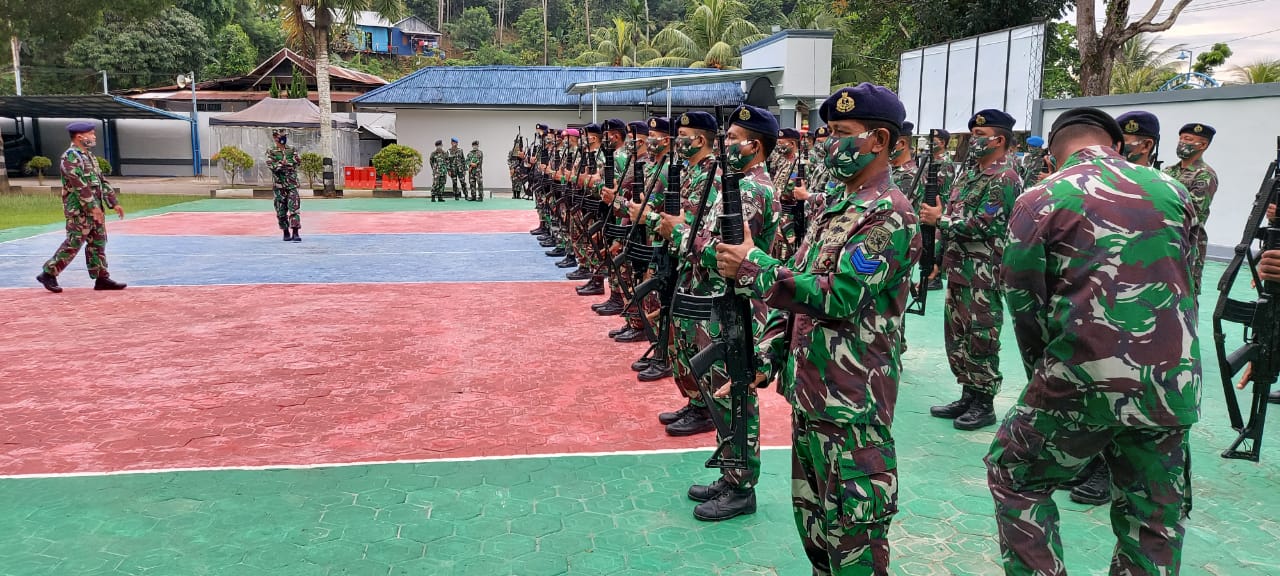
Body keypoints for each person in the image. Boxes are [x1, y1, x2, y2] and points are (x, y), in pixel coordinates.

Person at [715, 83, 921, 574]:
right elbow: (799, 297)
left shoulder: (889, 214)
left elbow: (837, 295)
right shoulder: (836, 205)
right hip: (810, 397)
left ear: (880, 140)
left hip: (852, 408)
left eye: (844, 132)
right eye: (830, 132)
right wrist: (766, 358)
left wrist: (753, 265)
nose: (832, 143)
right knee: (818, 538)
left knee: (854, 547)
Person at [986, 106, 1199, 575]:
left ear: (1053, 155)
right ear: (1118, 145)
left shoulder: (1041, 196)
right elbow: (1189, 281)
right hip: (1170, 383)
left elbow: (1023, 301)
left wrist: (1045, 374)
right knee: (1153, 513)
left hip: (1080, 377)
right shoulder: (1173, 190)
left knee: (1016, 475)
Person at [662, 104, 781, 522]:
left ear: (757, 145)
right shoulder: (738, 183)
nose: (726, 145)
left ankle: (741, 485)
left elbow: (726, 255)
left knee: (736, 396)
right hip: (721, 302)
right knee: (720, 393)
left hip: (740, 307)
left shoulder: (752, 191)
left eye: (733, 139)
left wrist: (680, 235)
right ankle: (731, 472)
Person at [920, 109, 1023, 431]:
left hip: (985, 272)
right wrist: (936, 256)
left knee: (982, 336)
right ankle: (968, 392)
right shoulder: (969, 174)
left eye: (980, 136)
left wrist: (941, 221)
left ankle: (984, 402)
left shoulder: (1005, 177)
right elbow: (952, 215)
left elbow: (988, 225)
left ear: (1000, 140)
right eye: (973, 135)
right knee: (958, 335)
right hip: (960, 268)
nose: (974, 141)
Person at [36, 122, 127, 292]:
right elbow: (78, 185)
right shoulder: (70, 157)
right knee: (74, 242)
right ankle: (48, 273)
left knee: (98, 242)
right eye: (91, 134)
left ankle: (101, 278)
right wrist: (92, 206)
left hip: (96, 209)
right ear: (80, 137)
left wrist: (114, 203)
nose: (94, 137)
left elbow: (101, 181)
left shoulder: (89, 156)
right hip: (79, 210)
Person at [1164, 122, 1219, 295]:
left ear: (1203, 145)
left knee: (1186, 293)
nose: (1182, 143)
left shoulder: (1204, 174)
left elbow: (1194, 212)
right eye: (1180, 139)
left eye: (1188, 139)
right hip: (1164, 240)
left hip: (1188, 243)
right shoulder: (1168, 171)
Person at [266, 129, 302, 242]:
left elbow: (297, 162)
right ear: (275, 137)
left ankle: (295, 232)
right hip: (279, 186)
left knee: (294, 209)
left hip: (292, 184)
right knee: (281, 211)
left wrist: (284, 164)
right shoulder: (271, 151)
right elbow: (271, 165)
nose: (283, 137)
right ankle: (285, 232)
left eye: (284, 135)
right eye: (281, 136)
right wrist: (283, 165)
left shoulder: (291, 149)